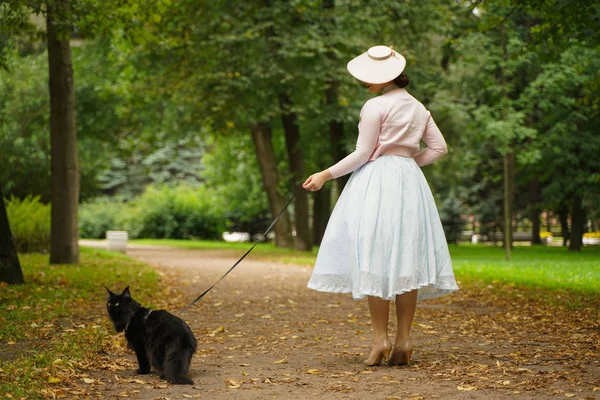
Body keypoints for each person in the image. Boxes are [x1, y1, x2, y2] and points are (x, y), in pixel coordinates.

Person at [302, 45, 458, 367]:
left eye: (369, 79)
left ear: (385, 78)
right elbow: (439, 148)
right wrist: (408, 163)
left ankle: (379, 340)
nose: (365, 84)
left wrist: (324, 175)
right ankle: (404, 338)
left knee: (374, 256)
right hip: (410, 185)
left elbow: (362, 154)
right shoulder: (419, 108)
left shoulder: (374, 107)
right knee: (406, 260)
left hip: (377, 184)